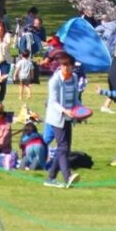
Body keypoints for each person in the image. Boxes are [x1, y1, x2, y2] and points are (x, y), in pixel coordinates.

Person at [43, 53, 81, 188]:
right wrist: (65, 111)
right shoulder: (54, 81)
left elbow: (76, 98)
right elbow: (53, 102)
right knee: (63, 147)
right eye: (64, 65)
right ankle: (68, 177)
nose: (67, 68)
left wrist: (80, 111)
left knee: (63, 148)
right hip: (56, 118)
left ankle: (50, 177)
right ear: (60, 66)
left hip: (69, 117)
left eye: (69, 65)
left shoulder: (74, 78)